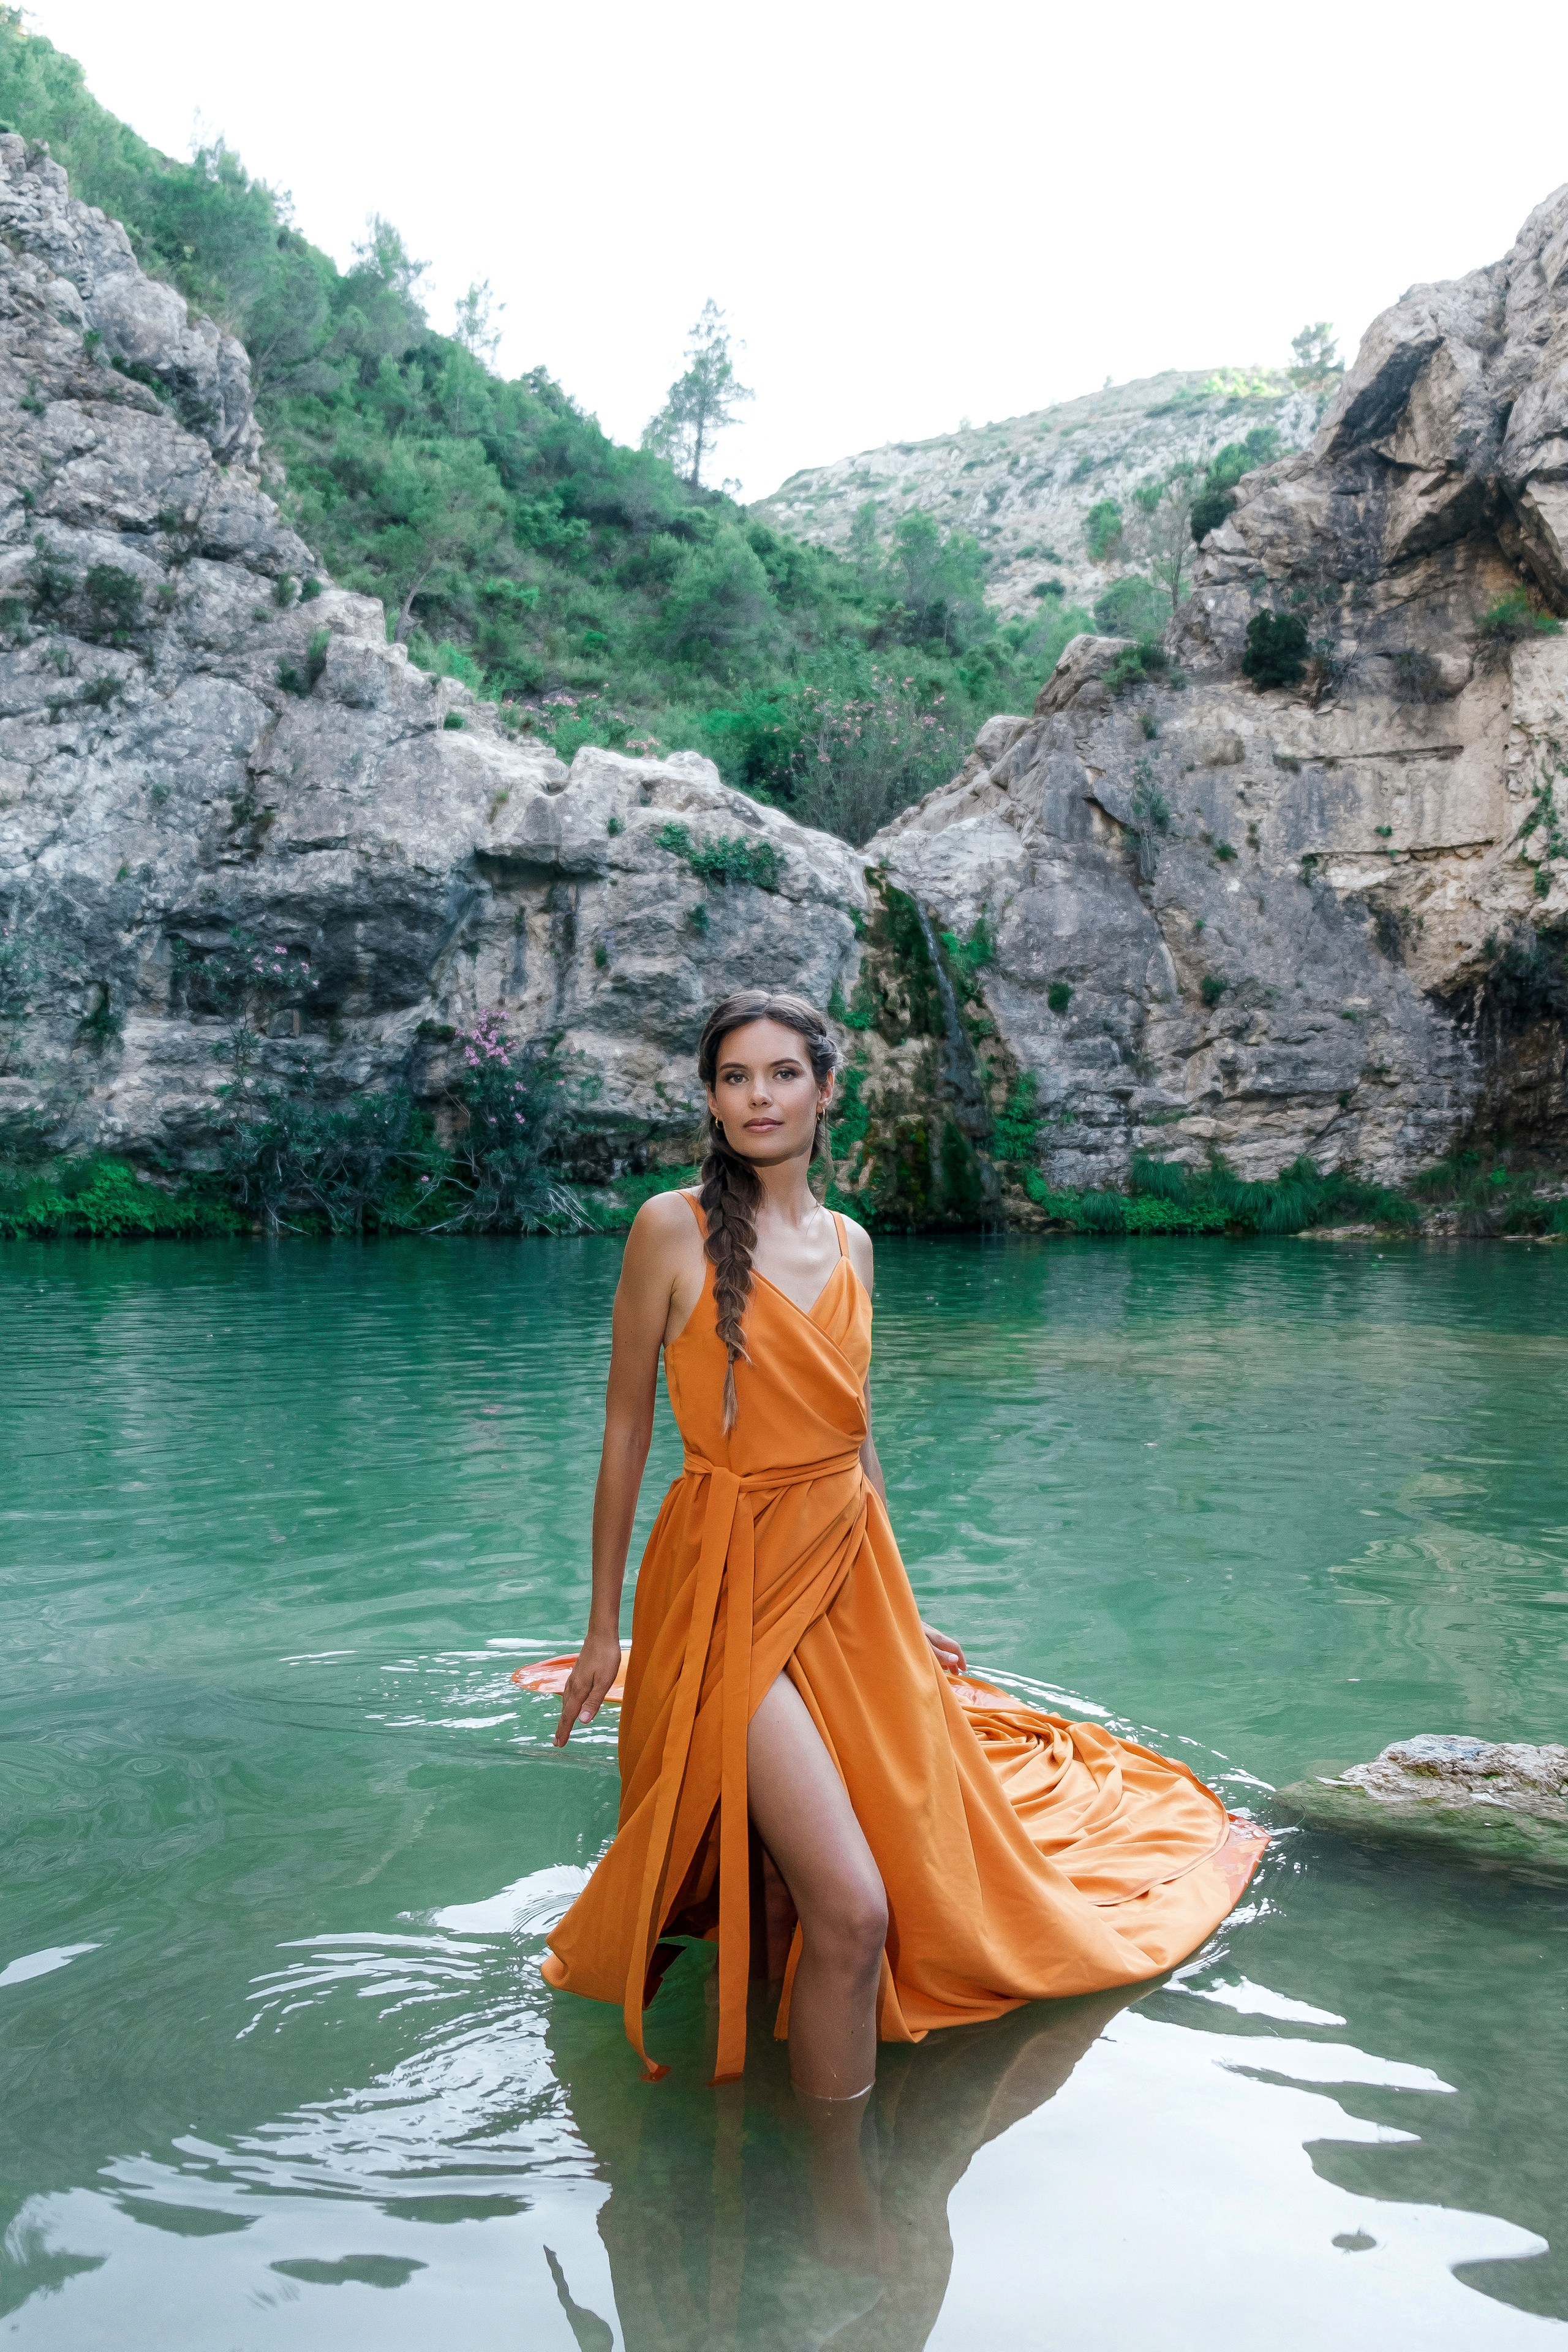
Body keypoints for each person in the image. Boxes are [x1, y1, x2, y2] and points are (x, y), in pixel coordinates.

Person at [541, 989, 1264, 2117]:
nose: (758, 1097)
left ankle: (809, 2152)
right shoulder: (669, 1228)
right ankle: (844, 2203)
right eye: (735, 1078)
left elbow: (855, 1434)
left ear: (828, 1091)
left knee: (857, 1871)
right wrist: (601, 1630)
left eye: (783, 1074)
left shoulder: (855, 1246)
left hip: (842, 1569)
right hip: (726, 1576)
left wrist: (898, 1604)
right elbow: (627, 1427)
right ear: (713, 1101)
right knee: (856, 1905)